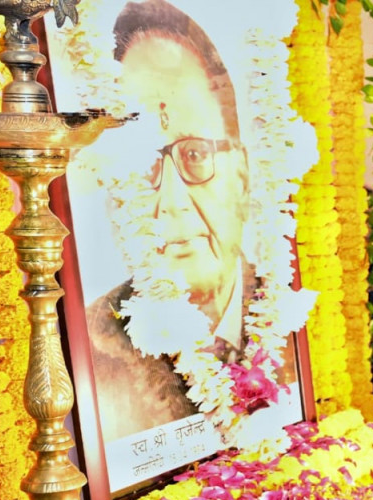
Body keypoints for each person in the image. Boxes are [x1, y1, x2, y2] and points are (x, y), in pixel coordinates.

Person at [86, 0, 264, 442]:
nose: (171, 202)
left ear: (242, 177)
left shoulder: (288, 313)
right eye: (142, 162)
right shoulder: (88, 350)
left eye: (196, 153)